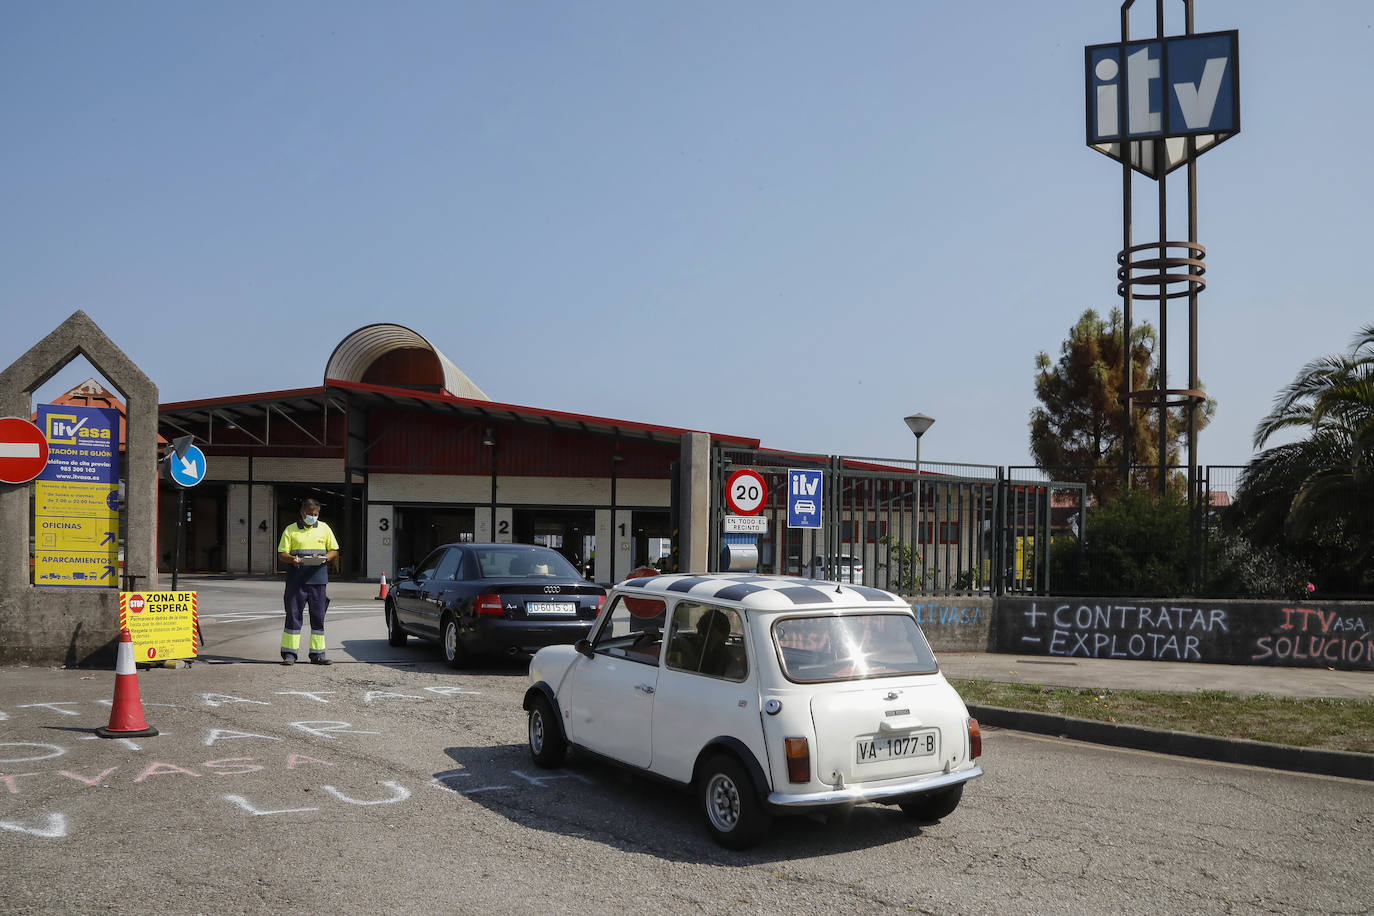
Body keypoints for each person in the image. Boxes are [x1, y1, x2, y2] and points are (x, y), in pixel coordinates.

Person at [276, 498, 340, 666]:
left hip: (318, 580)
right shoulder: (290, 530)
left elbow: (334, 550)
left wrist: (326, 557)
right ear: (302, 512)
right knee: (293, 616)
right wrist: (293, 559)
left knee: (318, 617)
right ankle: (289, 655)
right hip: (296, 580)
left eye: (316, 514)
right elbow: (282, 554)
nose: (313, 517)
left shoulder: (324, 528)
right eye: (310, 514)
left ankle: (318, 655)